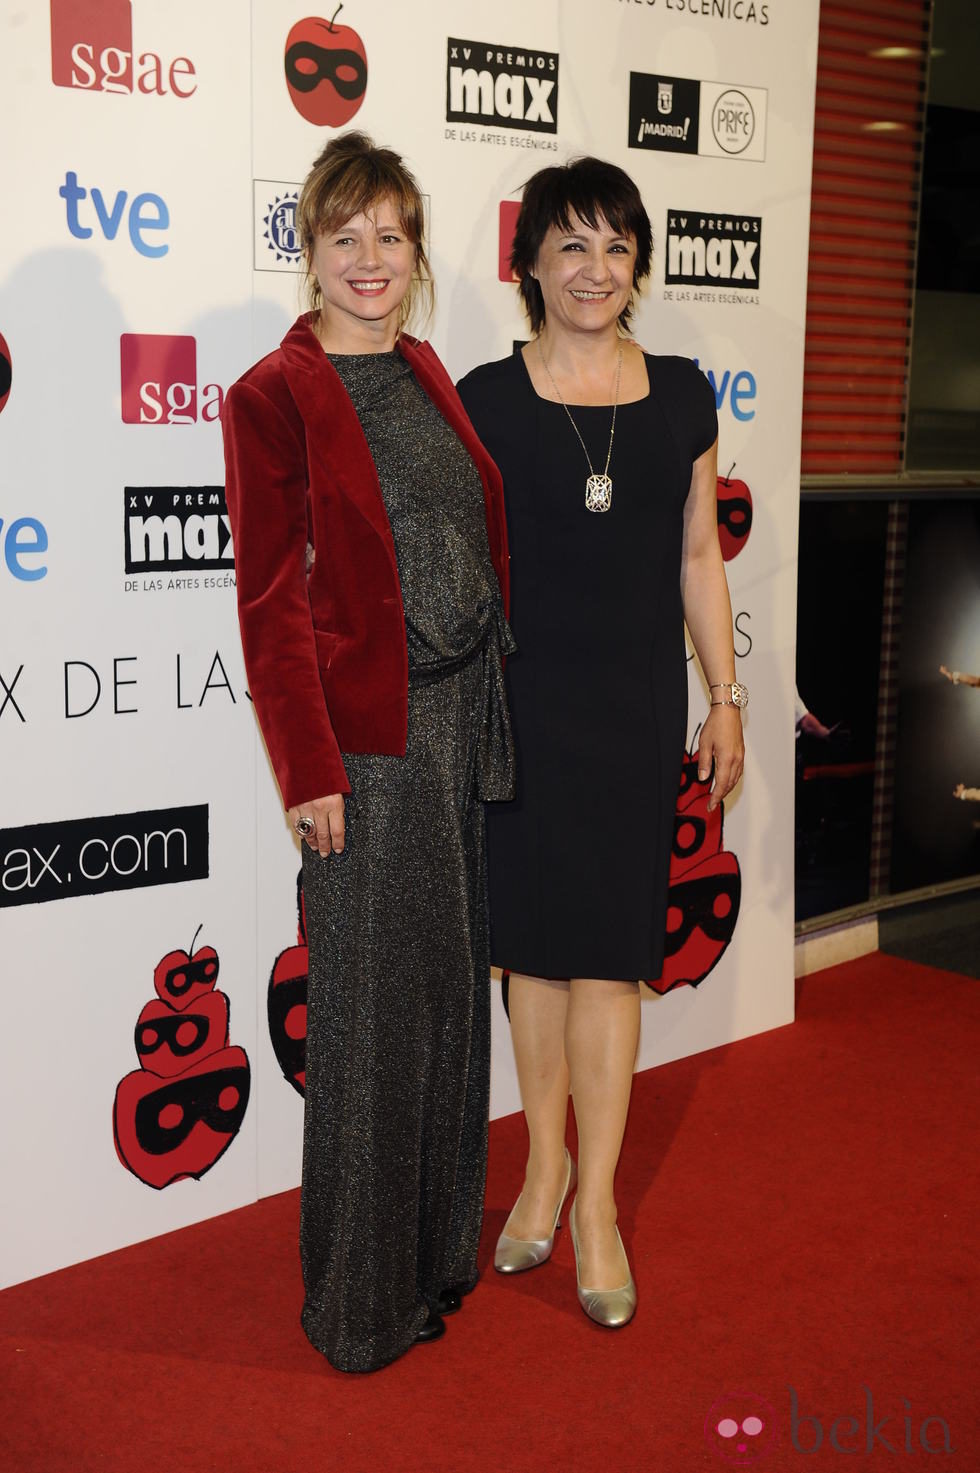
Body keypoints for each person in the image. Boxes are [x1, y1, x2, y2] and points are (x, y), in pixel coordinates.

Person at [222, 132, 514, 1373]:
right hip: (369, 751)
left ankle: (434, 1254)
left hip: (457, 730)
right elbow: (268, 601)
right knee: (367, 1022)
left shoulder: (428, 368)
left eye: (390, 235)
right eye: (345, 237)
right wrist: (312, 773)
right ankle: (359, 1302)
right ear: (310, 249)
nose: (371, 260)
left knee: (445, 1004)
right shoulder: (272, 395)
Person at [457, 157, 745, 1329]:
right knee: (530, 956)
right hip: (520, 711)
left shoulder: (679, 394)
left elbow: (695, 557)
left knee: (609, 961)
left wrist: (724, 696)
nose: (593, 270)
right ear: (528, 263)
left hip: (632, 713)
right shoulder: (482, 395)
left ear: (638, 265)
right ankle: (537, 1173)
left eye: (615, 247)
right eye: (569, 246)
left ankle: (596, 1211)